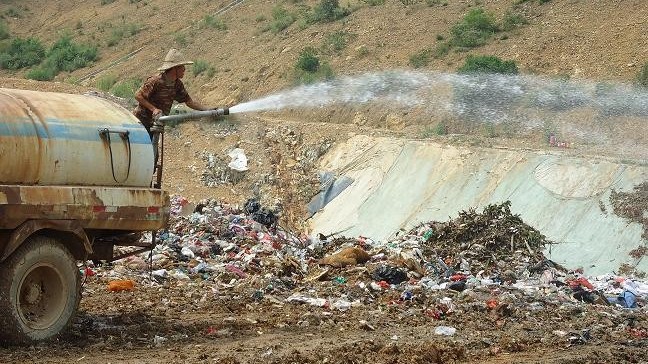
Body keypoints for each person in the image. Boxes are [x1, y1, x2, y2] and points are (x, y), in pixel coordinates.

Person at [133, 48, 213, 137]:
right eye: (182, 66)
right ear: (175, 68)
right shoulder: (156, 81)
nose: (184, 69)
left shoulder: (177, 84)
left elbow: (189, 102)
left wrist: (208, 110)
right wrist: (154, 109)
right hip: (141, 123)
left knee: (152, 148)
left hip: (156, 124)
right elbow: (138, 96)